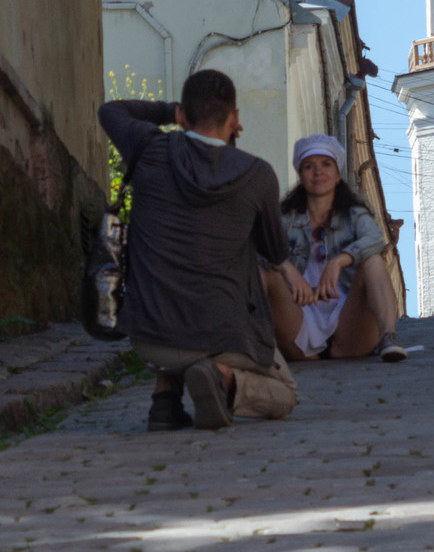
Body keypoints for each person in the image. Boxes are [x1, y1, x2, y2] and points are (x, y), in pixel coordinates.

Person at [98, 71, 301, 432]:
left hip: (151, 337)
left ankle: (165, 400)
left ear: (183, 115)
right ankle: (222, 378)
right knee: (285, 392)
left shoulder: (148, 149)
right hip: (224, 338)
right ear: (234, 118)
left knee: (169, 276)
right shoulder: (257, 175)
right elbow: (274, 250)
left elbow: (111, 111)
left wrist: (168, 111)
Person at [262, 134, 408, 363]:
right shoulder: (285, 218)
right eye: (309, 166)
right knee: (265, 271)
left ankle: (389, 337)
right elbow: (257, 247)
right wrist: (287, 269)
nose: (318, 172)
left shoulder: (354, 214)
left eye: (326, 165)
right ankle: (243, 345)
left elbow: (375, 239)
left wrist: (339, 260)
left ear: (338, 175)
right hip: (298, 318)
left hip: (348, 326)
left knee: (373, 260)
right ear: (301, 176)